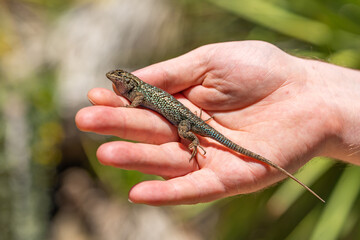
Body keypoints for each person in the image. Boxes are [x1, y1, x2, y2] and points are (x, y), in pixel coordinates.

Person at [75, 41, 360, 205]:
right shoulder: (141, 87)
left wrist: (193, 137)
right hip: (186, 114)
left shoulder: (138, 93)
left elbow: (137, 104)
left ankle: (196, 142)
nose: (114, 80)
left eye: (118, 77)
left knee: (184, 131)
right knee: (186, 126)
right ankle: (196, 137)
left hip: (186, 122)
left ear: (127, 81)